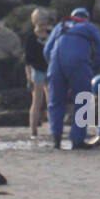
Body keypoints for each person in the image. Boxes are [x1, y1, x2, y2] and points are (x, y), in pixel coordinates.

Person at [44, 7, 100, 150]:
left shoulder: (61, 25)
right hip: (77, 63)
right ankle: (77, 140)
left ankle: (56, 139)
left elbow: (47, 50)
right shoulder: (88, 27)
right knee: (82, 99)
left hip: (55, 63)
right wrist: (93, 69)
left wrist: (52, 65)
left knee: (56, 101)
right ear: (86, 18)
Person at [24, 9, 55, 139]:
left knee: (51, 100)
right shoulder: (31, 38)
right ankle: (33, 130)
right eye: (40, 24)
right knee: (37, 101)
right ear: (35, 22)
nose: (43, 26)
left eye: (44, 23)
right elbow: (27, 60)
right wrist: (28, 78)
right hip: (36, 71)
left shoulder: (50, 34)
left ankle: (53, 128)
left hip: (50, 69)